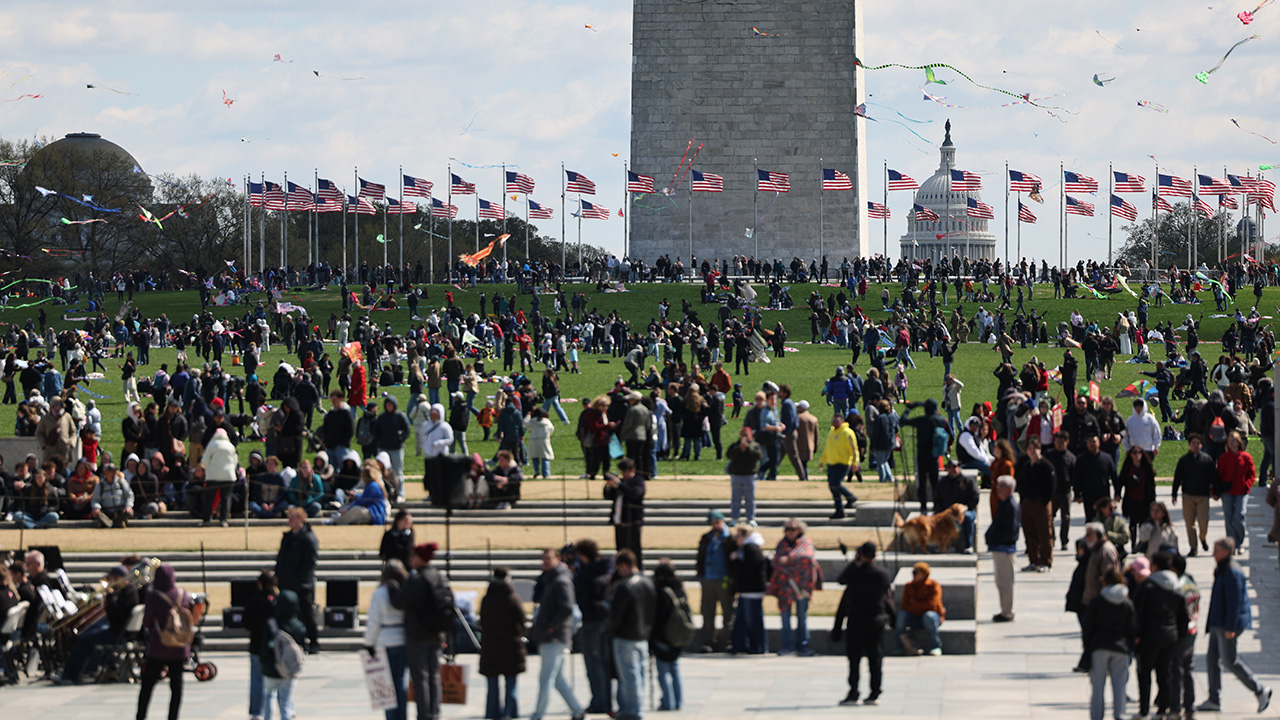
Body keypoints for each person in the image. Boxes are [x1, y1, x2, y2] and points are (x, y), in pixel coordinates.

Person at [1198, 537, 1272, 714]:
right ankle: (1213, 698)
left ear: (1225, 551)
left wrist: (1230, 627)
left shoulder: (1232, 572)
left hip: (1226, 624)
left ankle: (1260, 689)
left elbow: (1235, 603)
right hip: (1218, 622)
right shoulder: (1222, 568)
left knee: (1229, 660)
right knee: (1212, 661)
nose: (1213, 554)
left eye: (1216, 550)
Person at [395, 543, 453, 720]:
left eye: (413, 556)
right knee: (434, 675)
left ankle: (424, 715)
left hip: (418, 634)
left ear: (420, 558)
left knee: (420, 677)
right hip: (437, 633)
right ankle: (434, 713)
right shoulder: (440, 577)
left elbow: (399, 602)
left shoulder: (417, 579)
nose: (411, 559)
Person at [831, 541, 893, 706]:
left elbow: (841, 580)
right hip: (876, 620)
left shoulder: (854, 573)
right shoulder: (883, 574)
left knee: (854, 658)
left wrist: (854, 563)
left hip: (856, 620)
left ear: (861, 555)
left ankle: (853, 692)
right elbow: (887, 597)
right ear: (876, 555)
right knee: (875, 657)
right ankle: (875, 691)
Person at [56, 563, 139, 684]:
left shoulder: (128, 593)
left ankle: (71, 675)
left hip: (119, 634)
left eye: (112, 580)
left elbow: (115, 615)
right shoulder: (129, 591)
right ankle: (76, 671)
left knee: (84, 639)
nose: (111, 582)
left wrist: (109, 597)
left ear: (120, 578)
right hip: (120, 631)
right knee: (88, 632)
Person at [1132, 551, 1190, 720]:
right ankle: (1162, 710)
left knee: (1145, 674)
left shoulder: (1147, 586)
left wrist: (1135, 635)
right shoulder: (1177, 587)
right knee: (1164, 674)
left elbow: (1138, 613)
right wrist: (1178, 634)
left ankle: (1144, 710)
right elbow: (1184, 617)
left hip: (1148, 637)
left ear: (1155, 566)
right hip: (1170, 637)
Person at [135, 563, 194, 720]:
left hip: (159, 646)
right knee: (176, 686)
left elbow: (147, 621)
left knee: (147, 685)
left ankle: (141, 716)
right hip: (179, 646)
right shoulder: (183, 594)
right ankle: (173, 717)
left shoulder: (154, 596)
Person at [1083, 567, 1136, 720]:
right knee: (1120, 686)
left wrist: (1088, 645)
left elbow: (1088, 627)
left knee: (1098, 687)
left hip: (1099, 647)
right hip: (1121, 647)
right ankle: (1120, 715)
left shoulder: (1097, 601)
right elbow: (1134, 627)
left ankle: (1097, 717)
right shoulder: (1127, 603)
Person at [608, 548, 655, 720]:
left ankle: (634, 709)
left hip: (626, 636)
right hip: (643, 635)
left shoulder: (624, 586)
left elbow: (616, 614)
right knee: (638, 673)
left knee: (629, 675)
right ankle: (633, 707)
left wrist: (612, 629)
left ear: (624, 566)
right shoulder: (648, 582)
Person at [767, 518, 821, 656]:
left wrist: (789, 559)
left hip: (802, 587)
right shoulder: (781, 544)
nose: (790, 532)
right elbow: (777, 561)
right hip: (785, 587)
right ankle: (787, 646)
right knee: (785, 617)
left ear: (800, 530)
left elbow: (807, 557)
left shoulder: (806, 543)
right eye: (787, 529)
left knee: (802, 617)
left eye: (793, 529)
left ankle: (803, 646)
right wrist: (789, 561)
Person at [573, 539, 614, 714]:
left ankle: (600, 701)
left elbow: (578, 596)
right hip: (607, 622)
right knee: (604, 663)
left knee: (593, 664)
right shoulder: (606, 570)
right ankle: (607, 700)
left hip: (591, 622)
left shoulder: (585, 575)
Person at [365, 559, 410, 720]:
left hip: (385, 641)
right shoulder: (406, 591)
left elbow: (374, 622)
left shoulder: (379, 593)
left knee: (387, 688)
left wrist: (369, 643)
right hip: (403, 640)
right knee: (401, 681)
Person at [479, 567, 525, 720]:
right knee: (511, 683)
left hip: (490, 647)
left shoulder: (487, 599)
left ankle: (492, 714)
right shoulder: (513, 599)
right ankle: (510, 713)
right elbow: (522, 621)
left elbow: (482, 622)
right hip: (511, 647)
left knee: (492, 685)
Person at [275, 506, 320, 654]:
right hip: (286, 582)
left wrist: (299, 579)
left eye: (293, 518)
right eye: (289, 518)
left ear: (302, 519)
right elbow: (281, 559)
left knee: (306, 614)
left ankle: (313, 642)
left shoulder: (308, 537)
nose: (290, 521)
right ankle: (294, 642)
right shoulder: (287, 537)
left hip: (302, 584)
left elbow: (310, 562)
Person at [261, 588, 307, 720]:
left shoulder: (271, 625)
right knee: (286, 701)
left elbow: (264, 647)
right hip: (289, 668)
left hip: (271, 667)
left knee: (269, 695)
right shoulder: (299, 626)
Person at [900, 399, 951, 513]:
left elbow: (903, 421)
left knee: (922, 482)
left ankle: (923, 507)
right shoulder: (941, 420)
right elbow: (951, 433)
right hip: (934, 455)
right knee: (935, 481)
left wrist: (909, 408)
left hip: (921, 454)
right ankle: (937, 505)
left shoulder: (921, 421)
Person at [695, 510, 734, 653]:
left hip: (723, 579)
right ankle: (708, 641)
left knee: (727, 612)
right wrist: (700, 574)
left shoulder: (729, 538)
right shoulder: (706, 538)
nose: (715, 526)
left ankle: (725, 640)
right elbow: (700, 556)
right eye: (713, 523)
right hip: (708, 579)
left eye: (717, 522)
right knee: (707, 612)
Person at [650, 559, 687, 711]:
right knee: (674, 669)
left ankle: (667, 701)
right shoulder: (679, 589)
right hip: (678, 636)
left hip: (663, 638)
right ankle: (678, 701)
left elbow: (658, 618)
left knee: (663, 671)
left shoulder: (661, 592)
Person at [1014, 437, 1056, 571]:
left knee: (1044, 533)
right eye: (1029, 449)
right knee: (1029, 533)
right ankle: (1033, 560)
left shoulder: (1046, 466)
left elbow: (1051, 485)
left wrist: (1045, 501)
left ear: (1040, 450)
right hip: (1026, 503)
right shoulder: (1025, 465)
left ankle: (1046, 561)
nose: (1032, 452)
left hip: (1041, 504)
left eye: (1035, 449)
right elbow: (1019, 483)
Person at [243, 570, 278, 720]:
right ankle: (286, 708)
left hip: (257, 645)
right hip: (276, 647)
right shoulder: (279, 600)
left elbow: (246, 623)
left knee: (257, 681)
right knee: (278, 681)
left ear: (260, 584)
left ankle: (257, 712)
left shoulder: (254, 600)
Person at [729, 525, 768, 654]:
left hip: (752, 590)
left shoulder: (751, 549)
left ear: (745, 536)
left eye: (738, 536)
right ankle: (741, 645)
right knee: (742, 620)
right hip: (746, 591)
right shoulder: (745, 548)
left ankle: (758, 646)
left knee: (753, 620)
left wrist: (736, 561)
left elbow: (750, 569)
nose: (736, 539)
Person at [987, 475, 1020, 622]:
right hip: (999, 547)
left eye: (1001, 486)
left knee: (1005, 582)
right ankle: (1004, 610)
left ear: (1010, 489)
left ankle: (1007, 612)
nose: (998, 488)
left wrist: (997, 538)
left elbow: (1011, 530)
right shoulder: (1004, 504)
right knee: (1000, 581)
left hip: (1005, 549)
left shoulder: (1011, 506)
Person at [1216, 431, 1255, 551]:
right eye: (1230, 440)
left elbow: (1252, 474)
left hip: (1241, 492)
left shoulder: (1246, 457)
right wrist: (1216, 491)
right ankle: (1231, 544)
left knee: (1239, 515)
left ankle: (1240, 541)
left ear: (1239, 442)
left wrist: (1246, 485)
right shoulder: (1223, 458)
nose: (1232, 443)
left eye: (1234, 440)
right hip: (1227, 492)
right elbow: (1218, 475)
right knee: (1228, 517)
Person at [895, 561, 944, 656]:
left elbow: (933, 605)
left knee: (929, 615)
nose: (913, 574)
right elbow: (905, 605)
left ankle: (936, 646)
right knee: (901, 616)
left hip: (931, 618)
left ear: (923, 574)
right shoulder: (909, 586)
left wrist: (914, 604)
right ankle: (900, 646)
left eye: (915, 572)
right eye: (913, 572)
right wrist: (921, 605)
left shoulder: (934, 585)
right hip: (915, 617)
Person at [605, 458, 646, 568]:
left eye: (625, 471)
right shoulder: (622, 482)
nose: (623, 474)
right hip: (619, 522)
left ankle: (638, 570)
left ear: (632, 470)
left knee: (635, 551)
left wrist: (620, 485)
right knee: (620, 550)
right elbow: (608, 496)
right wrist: (609, 485)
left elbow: (634, 494)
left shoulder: (638, 481)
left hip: (632, 523)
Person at [817, 412, 859, 520]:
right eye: (834, 420)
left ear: (842, 421)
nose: (835, 422)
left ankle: (850, 496)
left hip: (843, 463)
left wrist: (855, 463)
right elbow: (827, 447)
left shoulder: (847, 432)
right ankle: (839, 510)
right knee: (832, 487)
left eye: (837, 420)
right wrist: (822, 461)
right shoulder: (832, 432)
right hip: (832, 463)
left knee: (835, 484)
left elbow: (854, 449)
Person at [934, 459, 979, 553]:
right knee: (937, 519)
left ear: (959, 468)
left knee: (967, 518)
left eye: (955, 467)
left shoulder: (967, 481)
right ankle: (941, 545)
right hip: (947, 512)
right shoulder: (942, 482)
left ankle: (968, 546)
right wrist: (941, 512)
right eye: (949, 467)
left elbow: (975, 497)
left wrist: (965, 509)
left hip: (965, 511)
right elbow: (937, 499)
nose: (952, 469)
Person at [1118, 445, 1157, 552]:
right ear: (1130, 455)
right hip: (1131, 499)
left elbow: (1152, 485)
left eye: (1138, 452)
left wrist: (1153, 500)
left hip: (1145, 500)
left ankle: (1142, 543)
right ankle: (1133, 544)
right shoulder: (1127, 467)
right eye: (1134, 453)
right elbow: (1120, 481)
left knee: (1143, 523)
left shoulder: (1146, 467)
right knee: (1133, 523)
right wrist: (1117, 494)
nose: (1136, 455)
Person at [1044, 430, 1077, 551]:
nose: (1059, 444)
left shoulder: (1071, 458)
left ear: (1066, 442)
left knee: (1066, 517)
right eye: (1057, 442)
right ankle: (1051, 538)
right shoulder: (1049, 455)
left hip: (1065, 491)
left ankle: (1064, 540)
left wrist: (1077, 493)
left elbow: (1075, 477)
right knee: (1049, 516)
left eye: (1061, 442)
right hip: (1052, 491)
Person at [375, 395, 412, 502]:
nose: (389, 406)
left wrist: (400, 439)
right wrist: (379, 440)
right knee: (382, 472)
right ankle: (383, 493)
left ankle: (400, 493)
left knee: (397, 472)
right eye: (387, 404)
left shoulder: (400, 416)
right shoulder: (382, 417)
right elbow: (375, 430)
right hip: (383, 448)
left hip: (396, 449)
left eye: (391, 404)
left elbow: (407, 430)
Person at [725, 426, 763, 526]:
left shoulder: (755, 445)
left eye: (747, 434)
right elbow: (729, 455)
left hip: (750, 476)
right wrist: (739, 449)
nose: (744, 437)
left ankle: (751, 518)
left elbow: (758, 456)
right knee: (735, 499)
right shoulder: (735, 445)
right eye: (743, 434)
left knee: (750, 499)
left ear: (751, 436)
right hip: (737, 475)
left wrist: (748, 448)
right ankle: (734, 518)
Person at [90, 463, 135, 529]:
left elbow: (130, 495)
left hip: (121, 511)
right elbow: (95, 499)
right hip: (107, 512)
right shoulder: (100, 485)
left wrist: (128, 506)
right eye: (111, 471)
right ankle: (117, 523)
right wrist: (96, 508)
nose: (114, 473)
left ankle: (110, 523)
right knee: (98, 514)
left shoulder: (121, 482)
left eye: (115, 471)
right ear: (105, 472)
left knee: (129, 513)